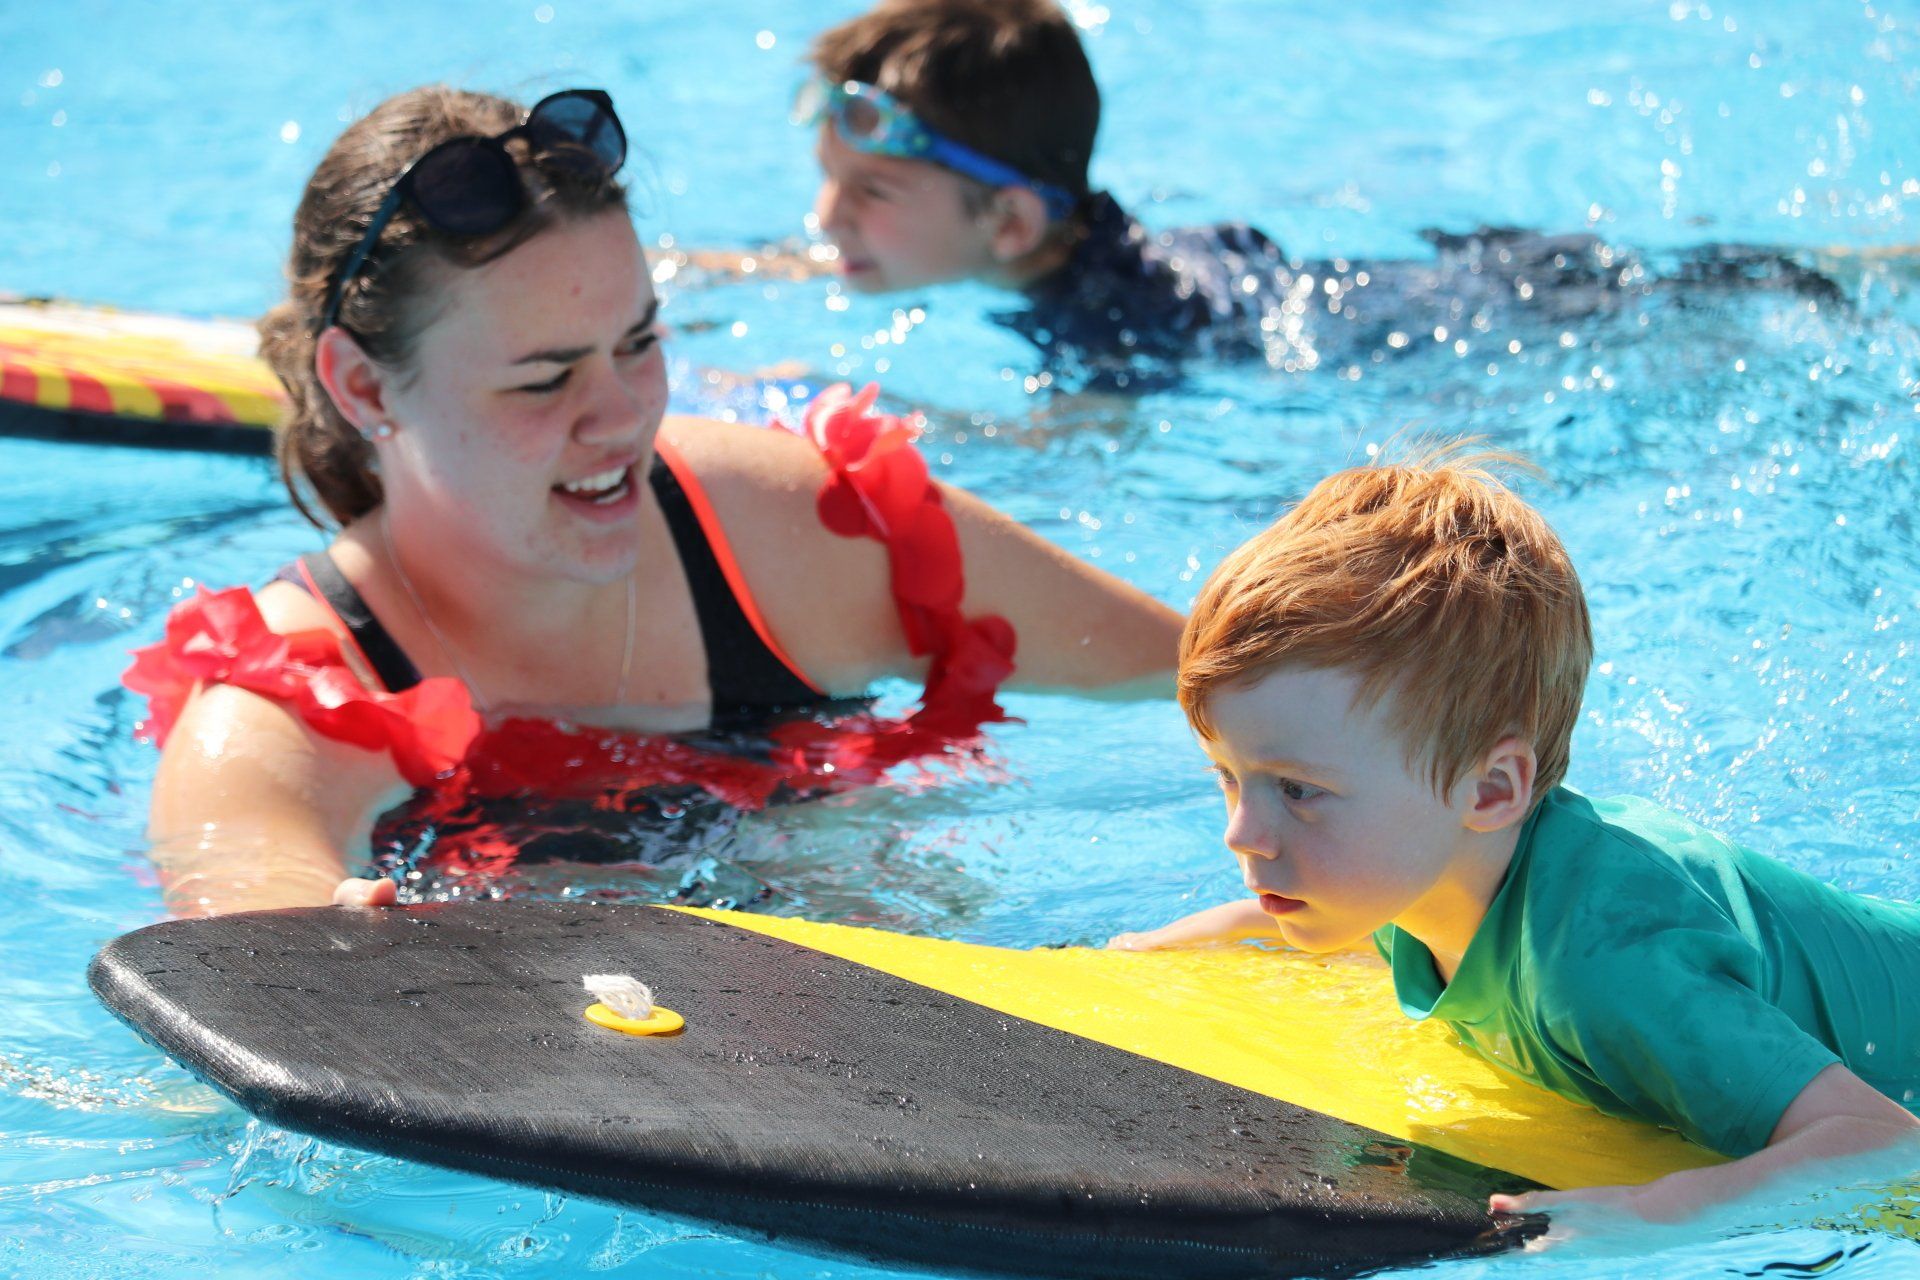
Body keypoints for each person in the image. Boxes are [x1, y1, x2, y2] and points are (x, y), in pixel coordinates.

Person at [125, 85, 1180, 919]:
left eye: (639, 342)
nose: (622, 415)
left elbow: (1208, 671)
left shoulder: (786, 534)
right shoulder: (287, 714)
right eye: (543, 379)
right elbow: (249, 980)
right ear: (362, 387)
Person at [1107, 448, 1919, 1221]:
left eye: (1298, 790)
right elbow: (1311, 922)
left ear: (1491, 790)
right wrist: (1160, 950)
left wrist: (1651, 1215)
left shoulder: (1607, 966)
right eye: (1227, 775)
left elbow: (1884, 1146)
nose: (1242, 835)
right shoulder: (1414, 872)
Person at [738, 0, 1843, 387]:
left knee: (1681, 299)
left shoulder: (1115, 325)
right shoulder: (1038, 241)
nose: (827, 221)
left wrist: (912, 425)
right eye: (828, 185)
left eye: (868, 193)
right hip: (1373, 277)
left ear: (1013, 222)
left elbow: (1079, 439)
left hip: (1427, 330)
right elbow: (864, 248)